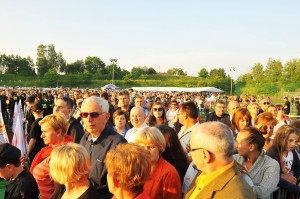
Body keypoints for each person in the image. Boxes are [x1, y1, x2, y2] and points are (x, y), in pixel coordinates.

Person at [184, 122, 256, 199]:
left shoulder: (237, 195)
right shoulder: (206, 171)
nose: (189, 154)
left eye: (190, 148)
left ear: (205, 155)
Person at [79, 96, 127, 198]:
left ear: (106, 116)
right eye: (84, 114)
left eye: (94, 114)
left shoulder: (118, 144)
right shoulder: (85, 138)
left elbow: (123, 186)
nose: (88, 119)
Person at [30, 113, 74, 199]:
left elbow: (57, 192)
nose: (41, 135)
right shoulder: (49, 151)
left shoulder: (61, 155)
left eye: (45, 131)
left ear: (58, 132)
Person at [134, 127, 182, 199]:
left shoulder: (169, 173)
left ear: (160, 147)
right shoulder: (135, 168)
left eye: (150, 147)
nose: (146, 151)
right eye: (142, 147)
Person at [234, 127, 280, 199]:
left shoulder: (271, 165)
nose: (235, 145)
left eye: (238, 143)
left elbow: (263, 192)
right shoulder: (234, 159)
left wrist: (235, 186)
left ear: (251, 147)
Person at [266, 125, 300, 197]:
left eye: (295, 141)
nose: (293, 144)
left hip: (288, 191)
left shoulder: (293, 152)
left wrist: (297, 181)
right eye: (290, 140)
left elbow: (297, 167)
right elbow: (275, 178)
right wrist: (296, 188)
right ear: (281, 138)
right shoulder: (273, 153)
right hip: (275, 193)